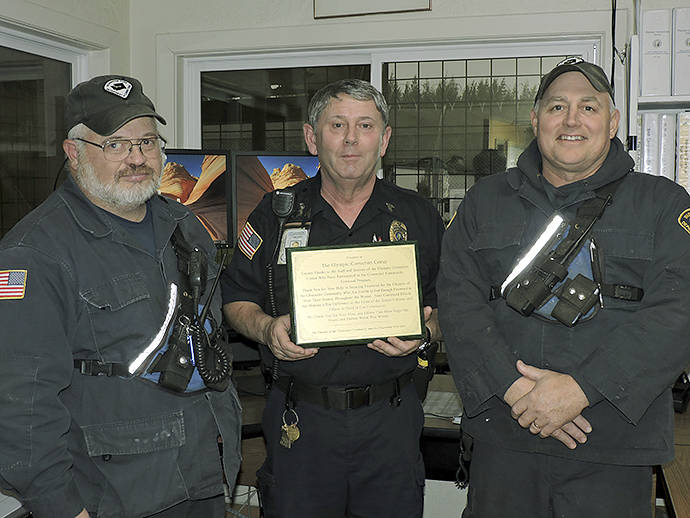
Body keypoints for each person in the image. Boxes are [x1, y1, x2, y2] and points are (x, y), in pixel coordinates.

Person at [437, 57, 690, 518]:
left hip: (612, 444)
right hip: (506, 438)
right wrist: (515, 390)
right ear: (535, 121)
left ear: (612, 123)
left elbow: (678, 314)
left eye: (589, 108)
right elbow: (458, 305)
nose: (572, 120)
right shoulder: (483, 203)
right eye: (557, 107)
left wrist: (581, 389)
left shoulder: (664, 204)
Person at [0, 75, 241, 518]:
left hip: (201, 472)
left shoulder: (182, 225)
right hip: (114, 492)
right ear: (74, 154)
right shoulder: (36, 252)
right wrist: (61, 506)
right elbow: (20, 403)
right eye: (115, 144)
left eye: (147, 141)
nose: (137, 158)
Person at [221, 79, 444, 518]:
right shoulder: (275, 212)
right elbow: (235, 298)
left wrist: (424, 334)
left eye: (364, 125)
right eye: (336, 124)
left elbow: (451, 307)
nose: (350, 138)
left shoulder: (419, 217)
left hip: (391, 422)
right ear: (311, 137)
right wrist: (266, 328)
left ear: (384, 139)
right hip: (300, 422)